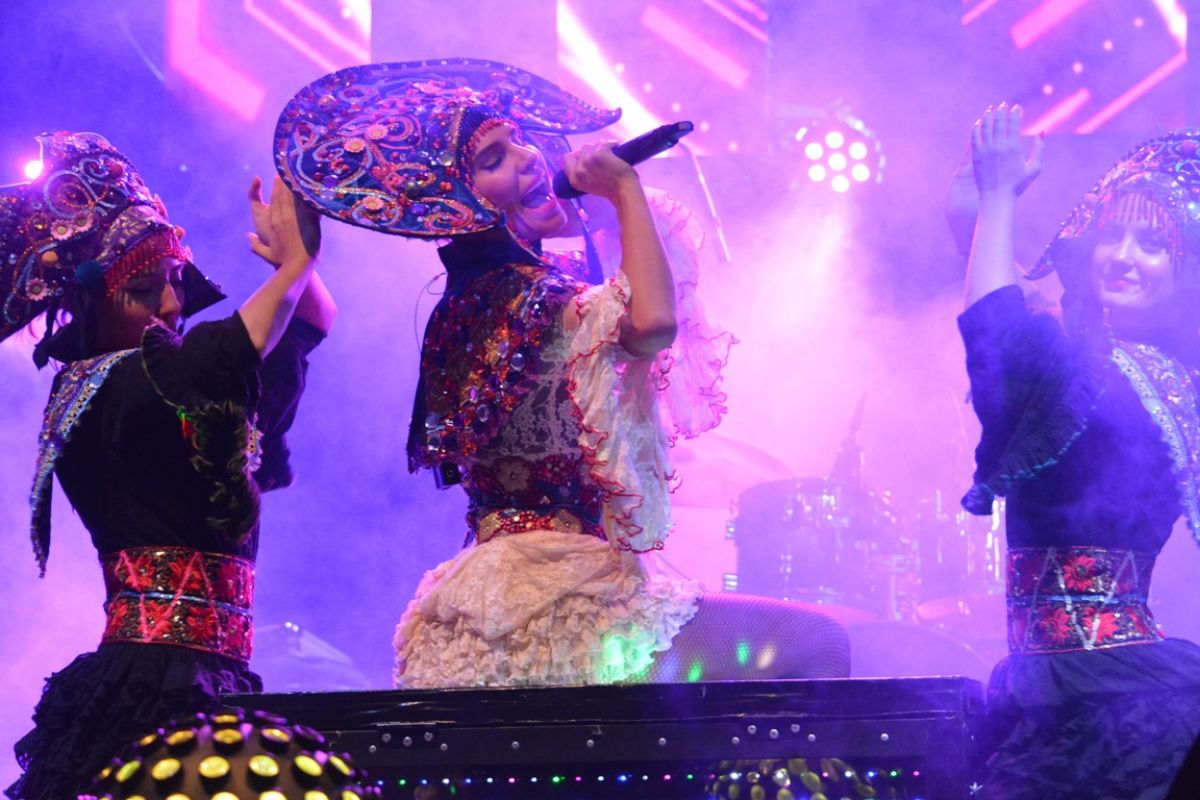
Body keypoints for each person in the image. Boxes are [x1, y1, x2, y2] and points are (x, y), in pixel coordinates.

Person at [275, 58, 849, 688]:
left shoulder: (473, 297)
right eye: (495, 158)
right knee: (817, 642)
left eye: (521, 141)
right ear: (458, 200)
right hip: (559, 601)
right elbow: (653, 321)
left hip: (502, 594)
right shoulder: (532, 297)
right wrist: (623, 192)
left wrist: (603, 211)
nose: (529, 158)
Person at [2, 132, 334, 799]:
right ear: (93, 304)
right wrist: (292, 268)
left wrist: (297, 266)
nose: (173, 305)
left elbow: (307, 326)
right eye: (144, 290)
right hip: (153, 678)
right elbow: (228, 351)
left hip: (209, 672)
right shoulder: (106, 389)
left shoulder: (178, 394)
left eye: (176, 282)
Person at [958, 104, 1200, 797]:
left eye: (1151, 245)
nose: (1122, 256)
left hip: (1102, 698)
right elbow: (1016, 333)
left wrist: (997, 197)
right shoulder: (1154, 376)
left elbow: (999, 336)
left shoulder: (1107, 379)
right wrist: (978, 218)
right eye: (1113, 235)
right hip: (1089, 686)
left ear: (1183, 272)